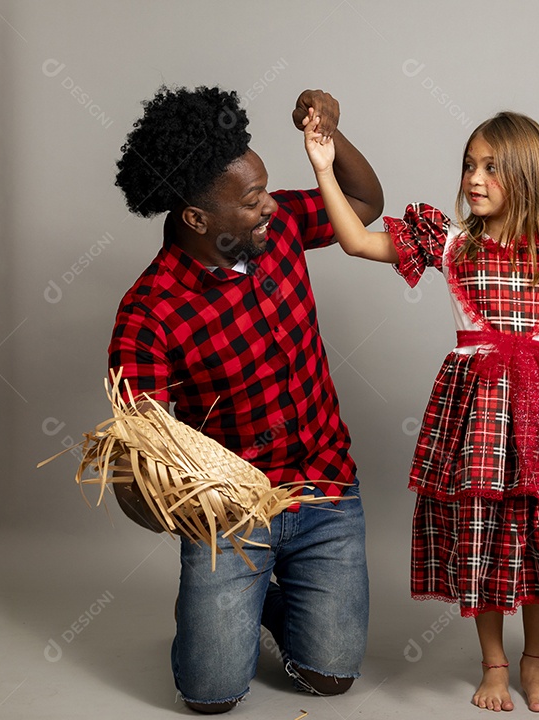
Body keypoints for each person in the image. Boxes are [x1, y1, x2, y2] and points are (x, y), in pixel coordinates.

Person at [303, 109, 539, 713]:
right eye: (469, 165)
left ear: (528, 179)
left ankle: (535, 662)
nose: (474, 178)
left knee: (536, 530)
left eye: (492, 169)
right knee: (481, 525)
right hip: (474, 406)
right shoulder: (450, 242)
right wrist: (324, 168)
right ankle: (494, 664)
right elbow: (355, 241)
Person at [109, 86, 383, 713]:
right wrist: (183, 510)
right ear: (197, 219)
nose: (270, 205)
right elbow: (137, 460)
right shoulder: (148, 313)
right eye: (252, 198)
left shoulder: (278, 225)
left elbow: (365, 203)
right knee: (209, 696)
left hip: (325, 488)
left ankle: (262, 598)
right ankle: (219, 596)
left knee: (329, 679)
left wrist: (332, 136)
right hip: (232, 521)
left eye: (266, 188)